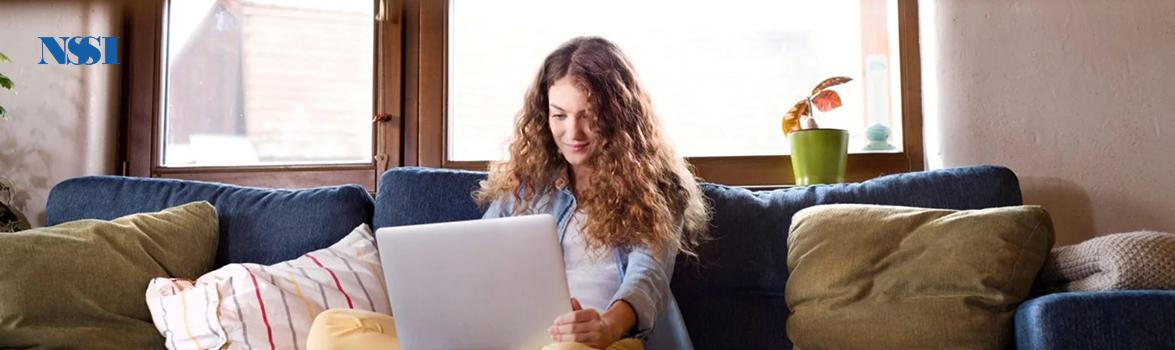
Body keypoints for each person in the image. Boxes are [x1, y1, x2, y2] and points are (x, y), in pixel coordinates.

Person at [307, 36, 710, 350]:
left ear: (620, 113)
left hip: (605, 341)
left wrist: (608, 324)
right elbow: (477, 255)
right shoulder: (528, 182)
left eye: (590, 115)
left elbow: (648, 277)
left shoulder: (657, 187)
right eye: (560, 115)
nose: (574, 132)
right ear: (544, 113)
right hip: (507, 338)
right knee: (331, 329)